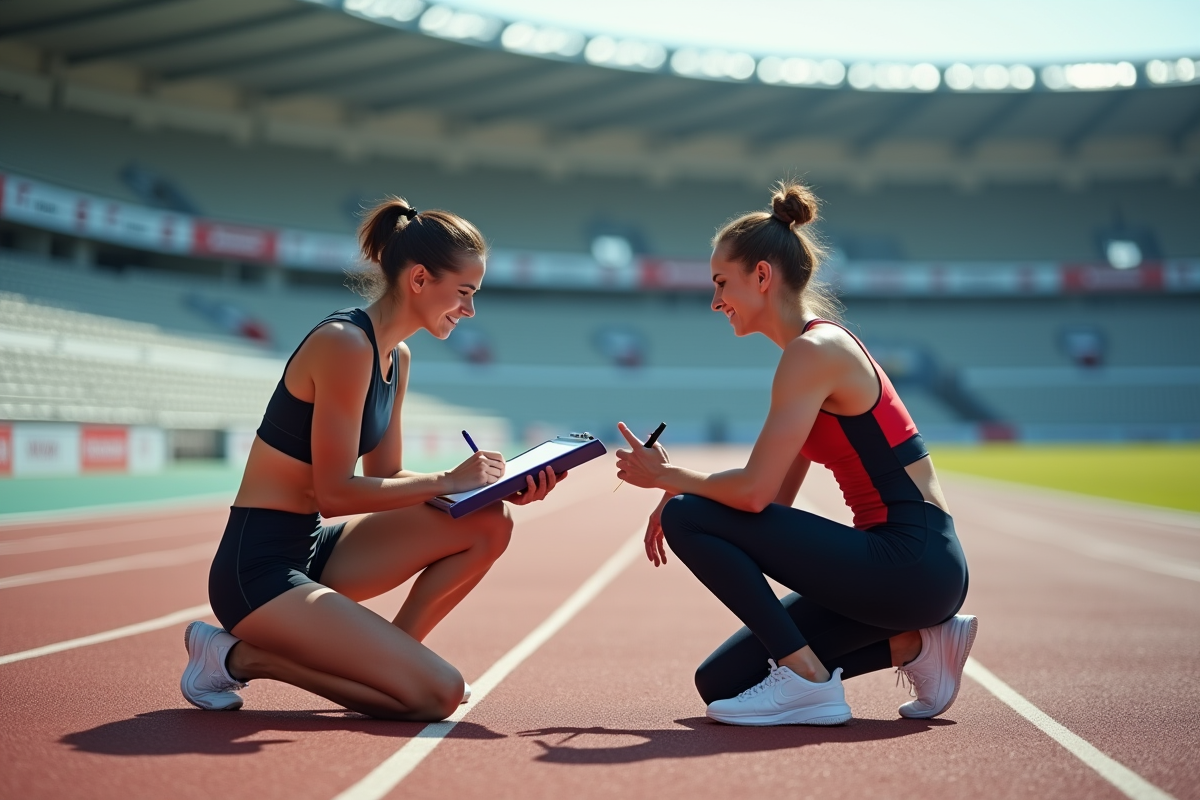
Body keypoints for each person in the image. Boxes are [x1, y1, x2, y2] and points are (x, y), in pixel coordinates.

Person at [180, 198, 563, 720]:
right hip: (258, 570)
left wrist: (485, 488)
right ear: (421, 279)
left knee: (490, 522)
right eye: (465, 293)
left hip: (313, 548)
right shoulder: (344, 344)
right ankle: (240, 656)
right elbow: (336, 493)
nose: (471, 310)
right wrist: (445, 480)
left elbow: (385, 477)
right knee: (438, 695)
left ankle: (396, 663)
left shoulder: (396, 356)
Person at [614, 181, 975, 727]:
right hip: (902, 570)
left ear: (762, 275)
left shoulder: (814, 351)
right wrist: (678, 485)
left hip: (913, 560)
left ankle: (808, 682)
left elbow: (755, 495)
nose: (714, 301)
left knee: (686, 514)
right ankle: (917, 646)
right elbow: (770, 503)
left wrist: (675, 484)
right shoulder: (805, 358)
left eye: (721, 283)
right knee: (720, 684)